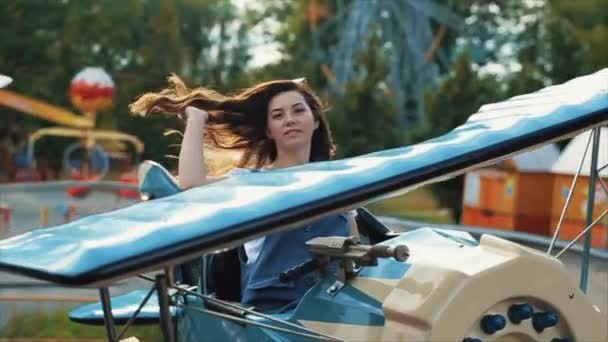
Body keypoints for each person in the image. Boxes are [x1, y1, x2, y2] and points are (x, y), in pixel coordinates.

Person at [130, 76, 358, 313]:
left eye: (298, 111)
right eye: (278, 115)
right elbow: (191, 183)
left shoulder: (338, 182)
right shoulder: (251, 182)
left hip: (335, 309)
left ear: (316, 121)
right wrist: (196, 119)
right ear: (269, 131)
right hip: (273, 316)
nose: (289, 120)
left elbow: (356, 253)